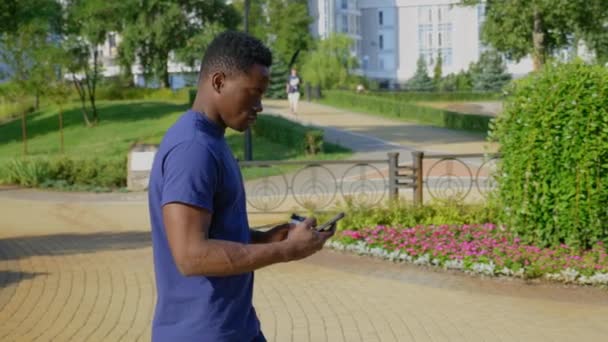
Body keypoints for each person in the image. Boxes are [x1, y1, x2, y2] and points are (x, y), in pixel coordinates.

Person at [147, 31, 334, 342]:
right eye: (253, 93)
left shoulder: (211, 141)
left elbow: (217, 236)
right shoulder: (193, 149)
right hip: (201, 334)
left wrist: (268, 237)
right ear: (218, 82)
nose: (260, 105)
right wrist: (285, 250)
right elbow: (191, 255)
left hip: (236, 328)